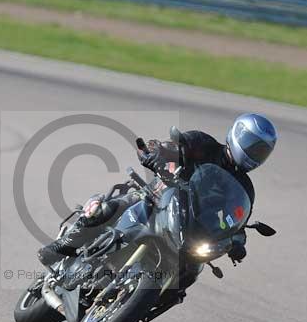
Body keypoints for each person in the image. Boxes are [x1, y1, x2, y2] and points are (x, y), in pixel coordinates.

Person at [37, 114, 278, 275]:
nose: (255, 153)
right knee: (108, 209)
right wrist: (156, 154)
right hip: (157, 197)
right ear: (238, 135)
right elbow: (170, 147)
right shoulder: (203, 143)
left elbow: (237, 222)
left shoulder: (245, 188)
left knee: (189, 273)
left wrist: (237, 242)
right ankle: (62, 246)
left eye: (261, 151)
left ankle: (143, 302)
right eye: (253, 145)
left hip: (190, 228)